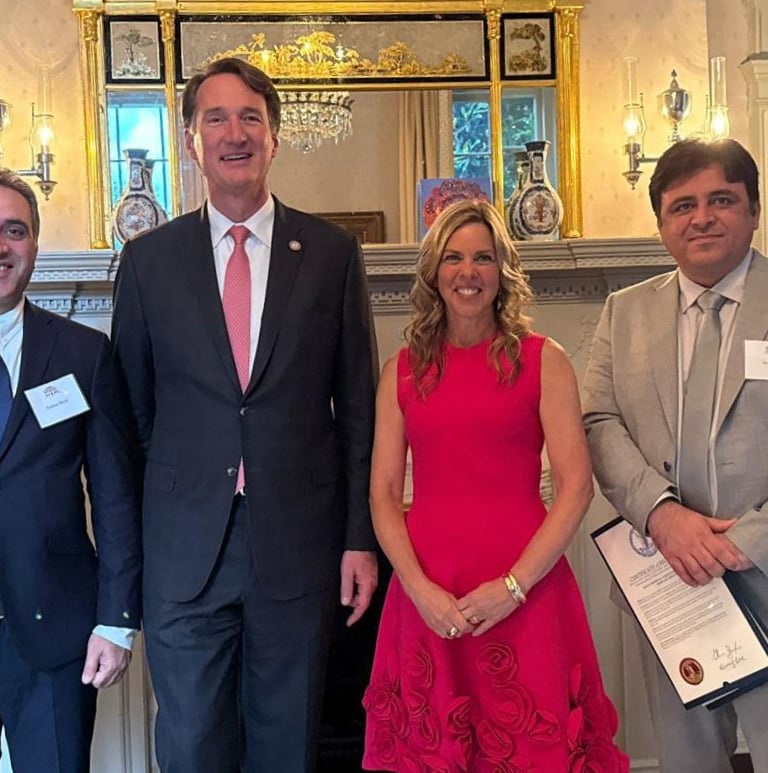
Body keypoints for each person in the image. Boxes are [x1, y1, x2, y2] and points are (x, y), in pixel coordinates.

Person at [110, 57, 379, 773]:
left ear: (275, 137)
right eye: (217, 119)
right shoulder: (147, 261)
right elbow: (131, 417)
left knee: (286, 746)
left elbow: (358, 408)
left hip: (298, 545)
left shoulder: (331, 254)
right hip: (182, 552)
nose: (235, 134)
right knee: (192, 747)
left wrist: (359, 539)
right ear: (191, 141)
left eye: (251, 118)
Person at [363, 199, 628, 771]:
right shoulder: (401, 371)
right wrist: (418, 589)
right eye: (453, 258)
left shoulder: (545, 361)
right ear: (434, 272)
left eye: (483, 258)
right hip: (428, 597)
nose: (469, 272)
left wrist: (512, 587)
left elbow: (577, 486)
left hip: (527, 594)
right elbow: (382, 493)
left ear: (502, 271)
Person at [582, 137, 768, 772]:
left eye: (722, 200)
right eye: (682, 206)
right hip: (671, 581)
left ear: (754, 210)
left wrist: (746, 540)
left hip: (764, 563)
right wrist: (662, 518)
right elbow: (598, 421)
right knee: (689, 762)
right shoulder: (624, 313)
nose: (702, 218)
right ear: (662, 224)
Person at [0, 168, 141, 771]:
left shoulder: (84, 355)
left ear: (34, 243)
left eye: (15, 230)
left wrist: (117, 621)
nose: (2, 246)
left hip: (54, 634)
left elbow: (115, 499)